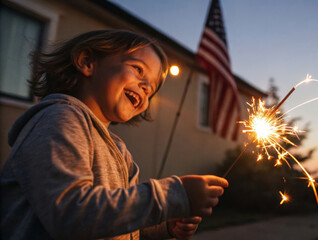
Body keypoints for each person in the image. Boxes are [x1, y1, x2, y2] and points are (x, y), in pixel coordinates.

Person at [0, 30, 228, 240]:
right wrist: (171, 196)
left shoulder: (120, 151)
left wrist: (164, 225)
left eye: (151, 88)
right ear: (87, 61)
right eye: (138, 69)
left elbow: (115, 220)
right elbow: (69, 214)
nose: (145, 87)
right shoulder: (60, 118)